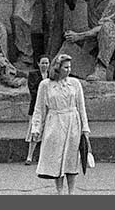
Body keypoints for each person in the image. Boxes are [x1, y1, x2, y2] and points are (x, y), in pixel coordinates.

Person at [30, 53, 90, 194]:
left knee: (71, 158)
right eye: (65, 67)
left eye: (69, 67)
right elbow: (39, 108)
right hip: (55, 122)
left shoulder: (75, 83)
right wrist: (36, 128)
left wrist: (85, 128)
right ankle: (59, 191)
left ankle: (71, 191)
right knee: (57, 158)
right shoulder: (45, 85)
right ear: (57, 68)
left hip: (72, 122)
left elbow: (82, 107)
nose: (68, 70)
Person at [24, 55, 51, 165]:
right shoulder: (33, 75)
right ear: (38, 63)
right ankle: (29, 156)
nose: (45, 65)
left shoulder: (52, 75)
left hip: (50, 107)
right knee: (34, 130)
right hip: (36, 106)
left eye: (46, 63)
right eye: (43, 63)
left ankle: (45, 156)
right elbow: (33, 90)